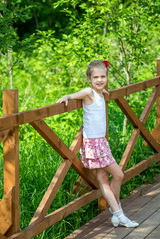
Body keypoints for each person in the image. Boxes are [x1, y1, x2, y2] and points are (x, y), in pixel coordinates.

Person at [56, 60, 139, 228]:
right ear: (89, 78)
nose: (100, 80)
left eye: (103, 76)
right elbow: (74, 95)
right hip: (94, 144)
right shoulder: (89, 92)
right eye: (96, 77)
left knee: (104, 179)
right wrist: (67, 97)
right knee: (118, 175)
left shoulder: (100, 93)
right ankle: (119, 213)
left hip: (100, 142)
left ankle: (116, 212)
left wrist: (103, 90)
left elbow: (99, 92)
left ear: (107, 77)